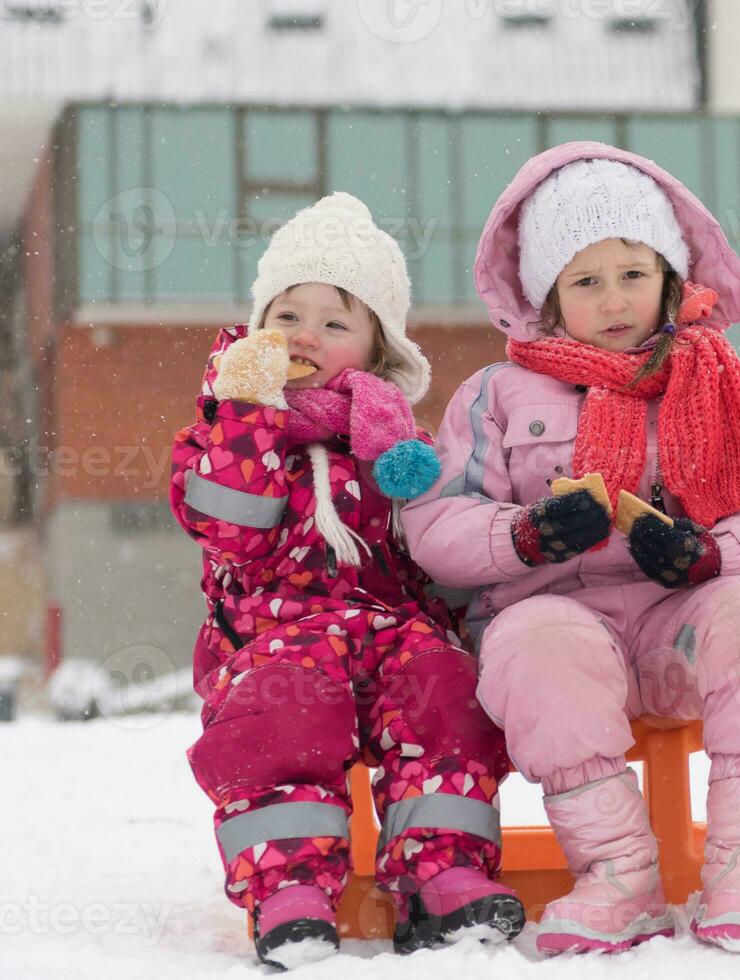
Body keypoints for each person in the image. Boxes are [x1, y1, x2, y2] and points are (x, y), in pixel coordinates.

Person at [402, 143, 740, 956]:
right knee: (532, 642)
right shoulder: (494, 396)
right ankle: (618, 874)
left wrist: (710, 558)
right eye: (585, 281)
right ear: (546, 296)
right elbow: (434, 521)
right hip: (564, 628)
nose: (613, 300)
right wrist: (522, 536)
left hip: (683, 627)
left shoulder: (728, 382)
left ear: (670, 277)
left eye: (632, 274)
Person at [170, 193, 521, 969]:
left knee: (446, 693)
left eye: (336, 323)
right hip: (273, 634)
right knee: (283, 716)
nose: (306, 336)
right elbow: (228, 525)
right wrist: (245, 409)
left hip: (391, 632)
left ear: (374, 347)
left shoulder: (399, 447)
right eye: (287, 315)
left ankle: (445, 873)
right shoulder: (225, 426)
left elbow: (433, 546)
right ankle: (288, 888)